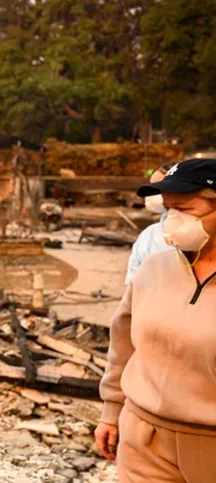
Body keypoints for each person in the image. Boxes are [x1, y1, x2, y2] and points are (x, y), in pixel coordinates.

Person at [95, 158, 216, 481]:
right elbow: (122, 346)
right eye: (167, 209)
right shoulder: (153, 269)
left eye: (184, 209)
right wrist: (111, 412)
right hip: (144, 441)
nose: (172, 220)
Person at [124, 162, 177, 284]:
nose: (153, 194)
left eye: (159, 187)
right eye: (151, 187)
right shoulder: (148, 236)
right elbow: (133, 283)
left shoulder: (199, 233)